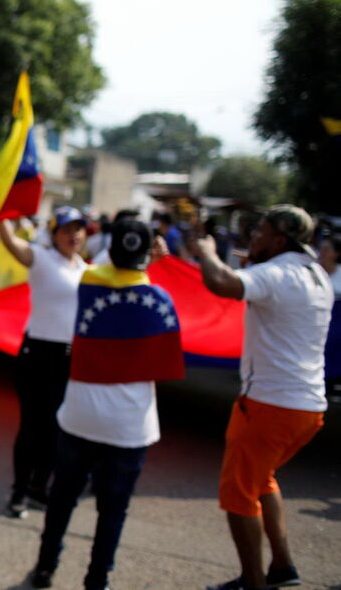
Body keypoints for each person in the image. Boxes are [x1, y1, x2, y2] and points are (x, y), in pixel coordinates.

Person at [29, 220, 181, 590]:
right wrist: (152, 263)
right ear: (147, 255)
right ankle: (98, 580)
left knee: (62, 500)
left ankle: (46, 567)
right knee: (113, 511)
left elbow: (107, 269)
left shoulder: (89, 282)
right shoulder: (161, 301)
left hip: (80, 416)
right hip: (130, 426)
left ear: (109, 250)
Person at [191, 205, 331, 590]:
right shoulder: (315, 273)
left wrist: (206, 252)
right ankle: (283, 567)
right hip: (307, 408)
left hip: (269, 406)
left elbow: (222, 284)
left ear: (279, 240)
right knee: (261, 480)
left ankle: (254, 583)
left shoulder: (278, 274)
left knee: (238, 496)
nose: (252, 237)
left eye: (259, 232)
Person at [0, 206, 88, 516]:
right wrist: (4, 212)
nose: (74, 235)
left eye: (79, 228)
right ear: (54, 233)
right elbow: (11, 243)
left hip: (68, 356)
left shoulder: (85, 268)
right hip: (37, 354)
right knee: (32, 426)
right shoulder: (42, 258)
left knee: (55, 427)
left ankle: (40, 487)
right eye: (66, 229)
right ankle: (19, 491)